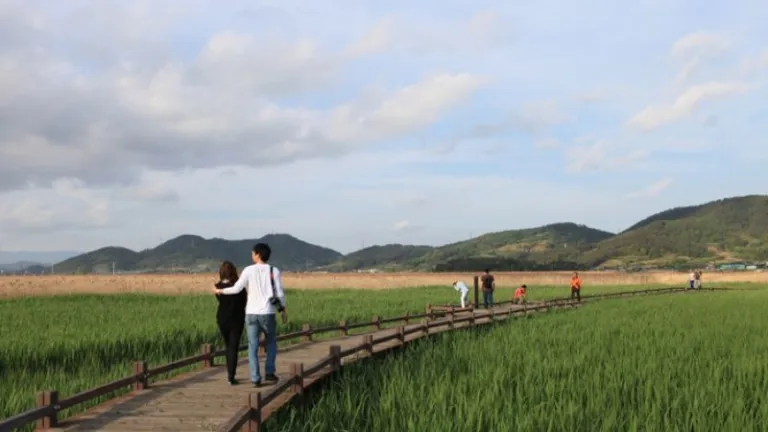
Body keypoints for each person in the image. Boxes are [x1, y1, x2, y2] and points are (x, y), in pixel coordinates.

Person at [214, 243, 287, 388]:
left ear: (258, 254)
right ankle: (269, 373)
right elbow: (279, 293)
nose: (251, 254)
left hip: (251, 314)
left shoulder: (248, 270)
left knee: (252, 345)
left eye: (253, 252)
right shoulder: (274, 270)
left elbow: (236, 288)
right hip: (268, 312)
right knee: (271, 342)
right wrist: (283, 310)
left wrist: (220, 291)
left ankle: (255, 378)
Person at [214, 261, 247, 385]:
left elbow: (220, 299)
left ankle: (230, 373)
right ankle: (231, 375)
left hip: (222, 318)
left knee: (228, 345)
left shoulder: (217, 287)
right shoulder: (239, 287)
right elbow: (244, 301)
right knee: (233, 347)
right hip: (237, 319)